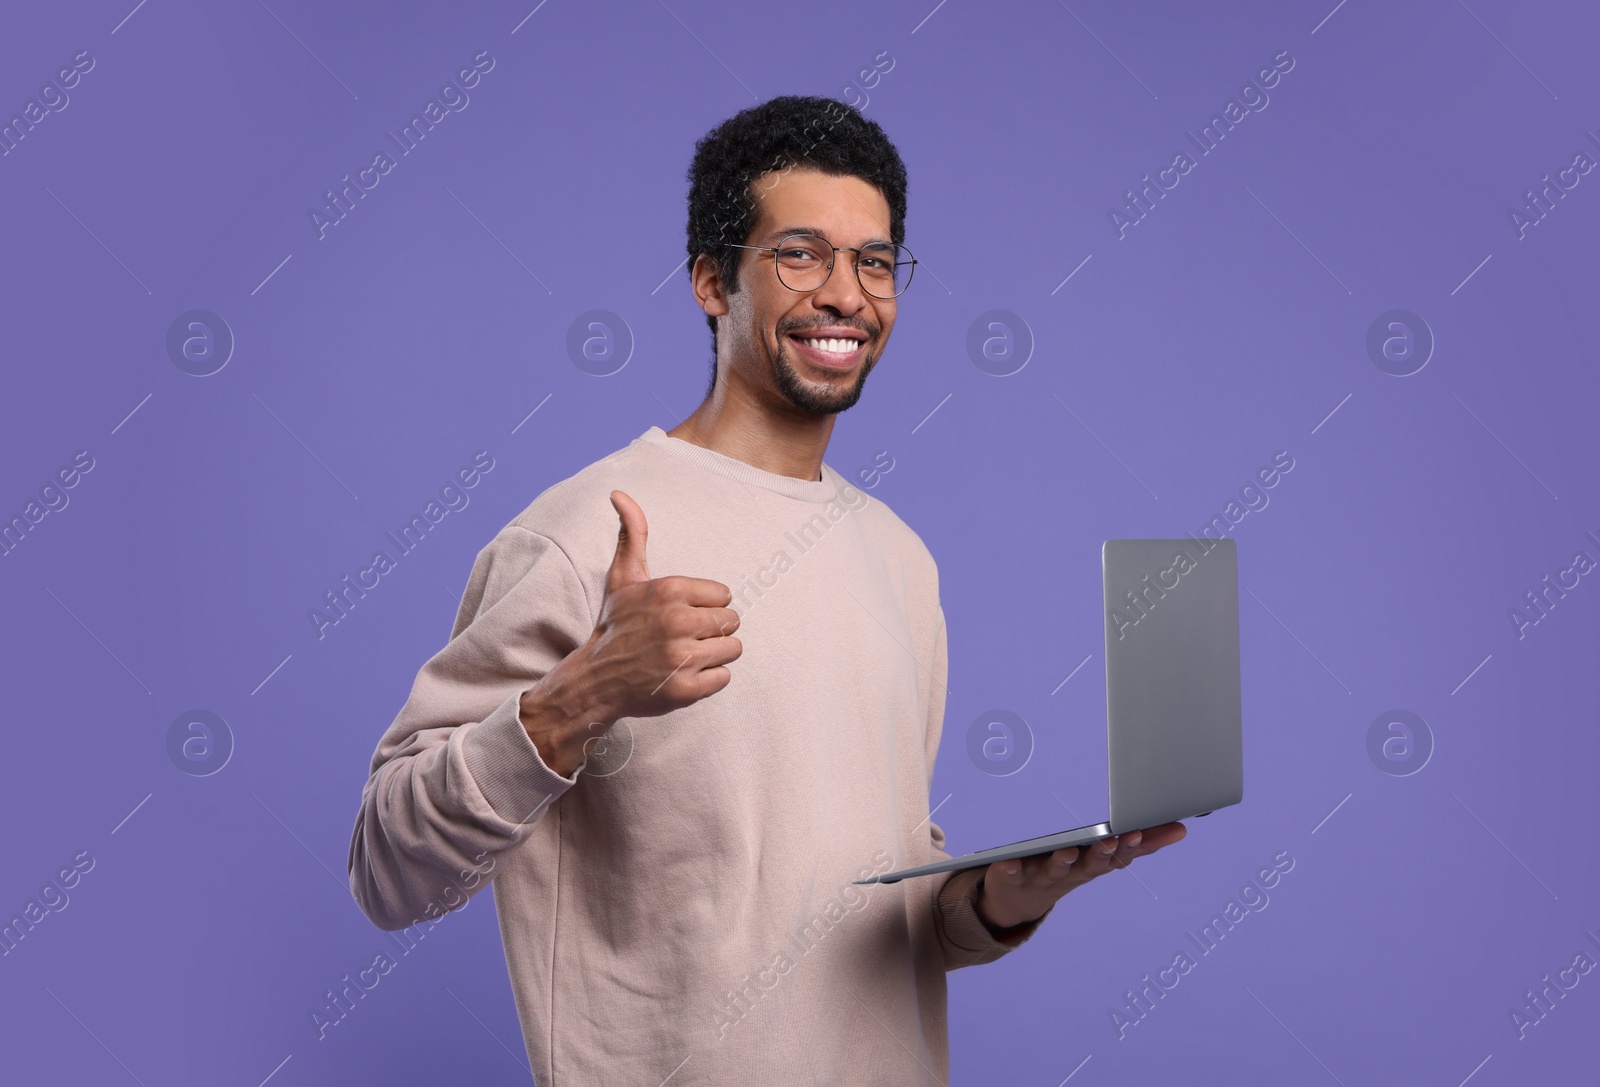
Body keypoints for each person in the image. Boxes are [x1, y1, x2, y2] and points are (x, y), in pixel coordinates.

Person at [346, 94, 1183, 1084]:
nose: (845, 293)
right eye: (799, 254)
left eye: (874, 262)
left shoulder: (899, 557)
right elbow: (389, 867)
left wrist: (996, 901)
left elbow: (877, 912)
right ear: (711, 280)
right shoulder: (582, 534)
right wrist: (585, 693)